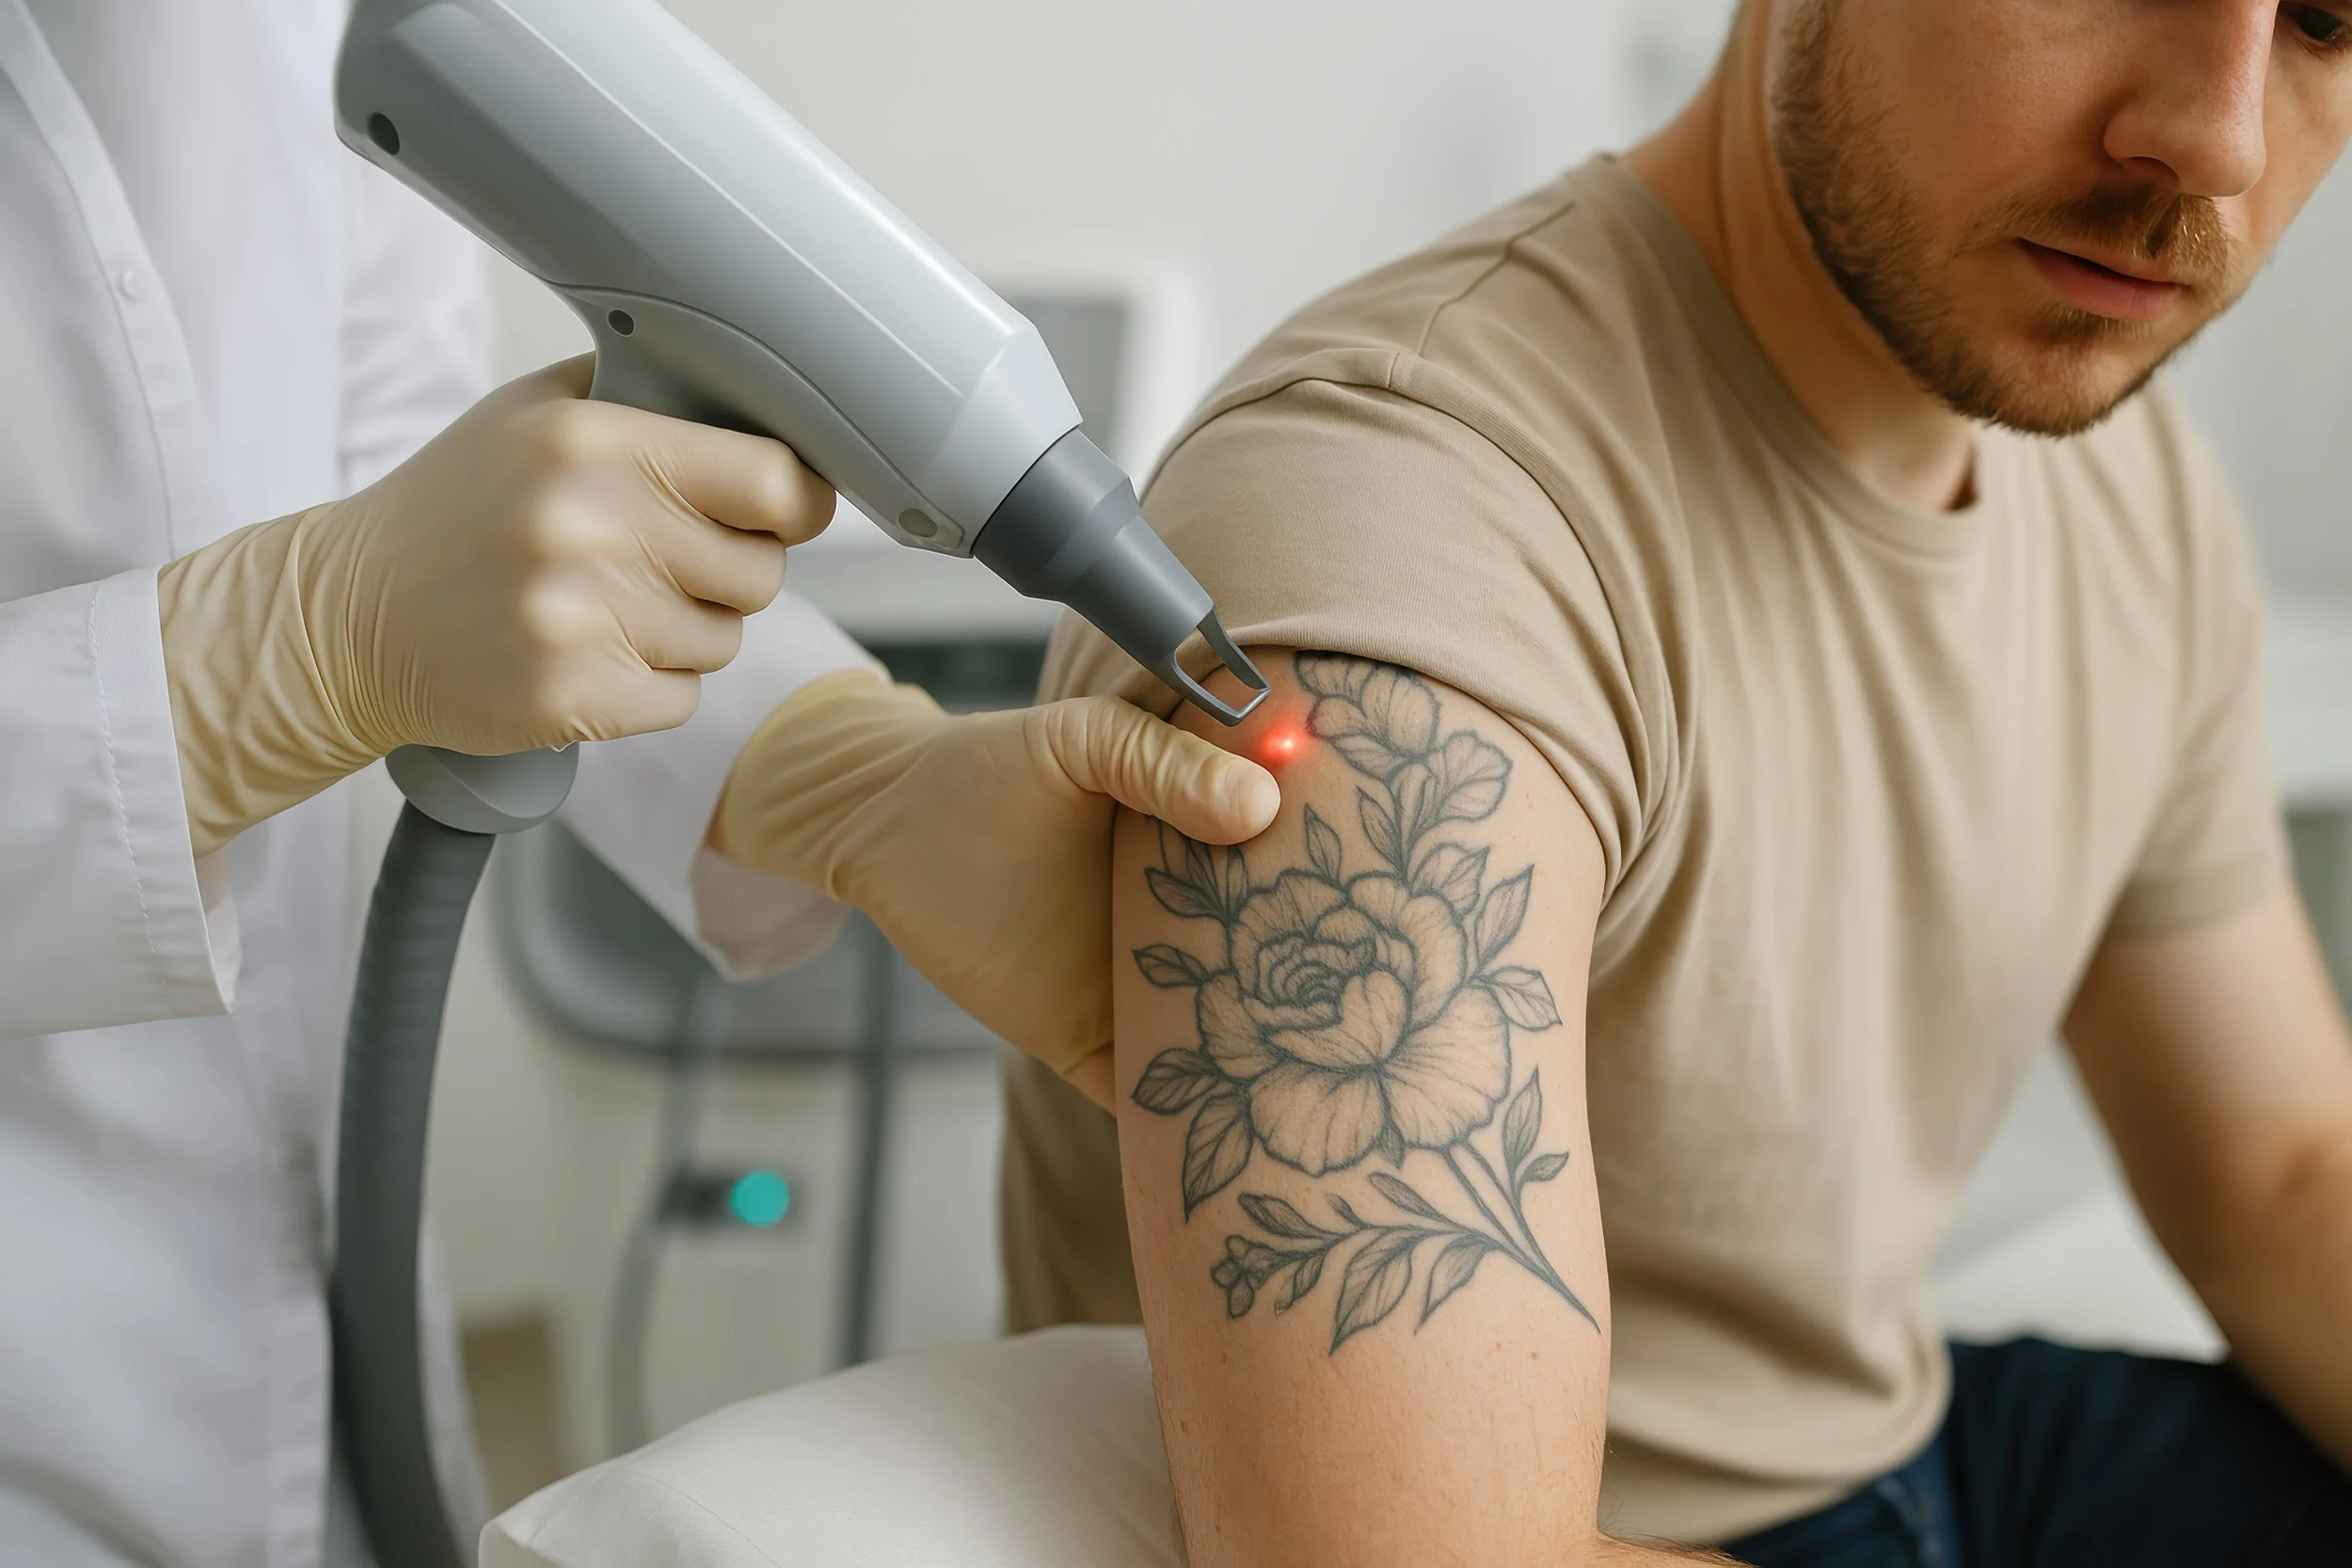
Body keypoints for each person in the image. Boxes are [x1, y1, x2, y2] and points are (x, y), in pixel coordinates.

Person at [1006, 0, 2352, 1562]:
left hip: (1905, 1445)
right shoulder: (1403, 534)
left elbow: (2276, 1172)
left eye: (2325, 22)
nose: (2218, 140)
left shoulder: (2128, 486)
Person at [0, 5, 1275, 1563]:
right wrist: (258, 660)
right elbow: (361, 566)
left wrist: (840, 773)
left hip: (293, 1358)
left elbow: (391, 431)